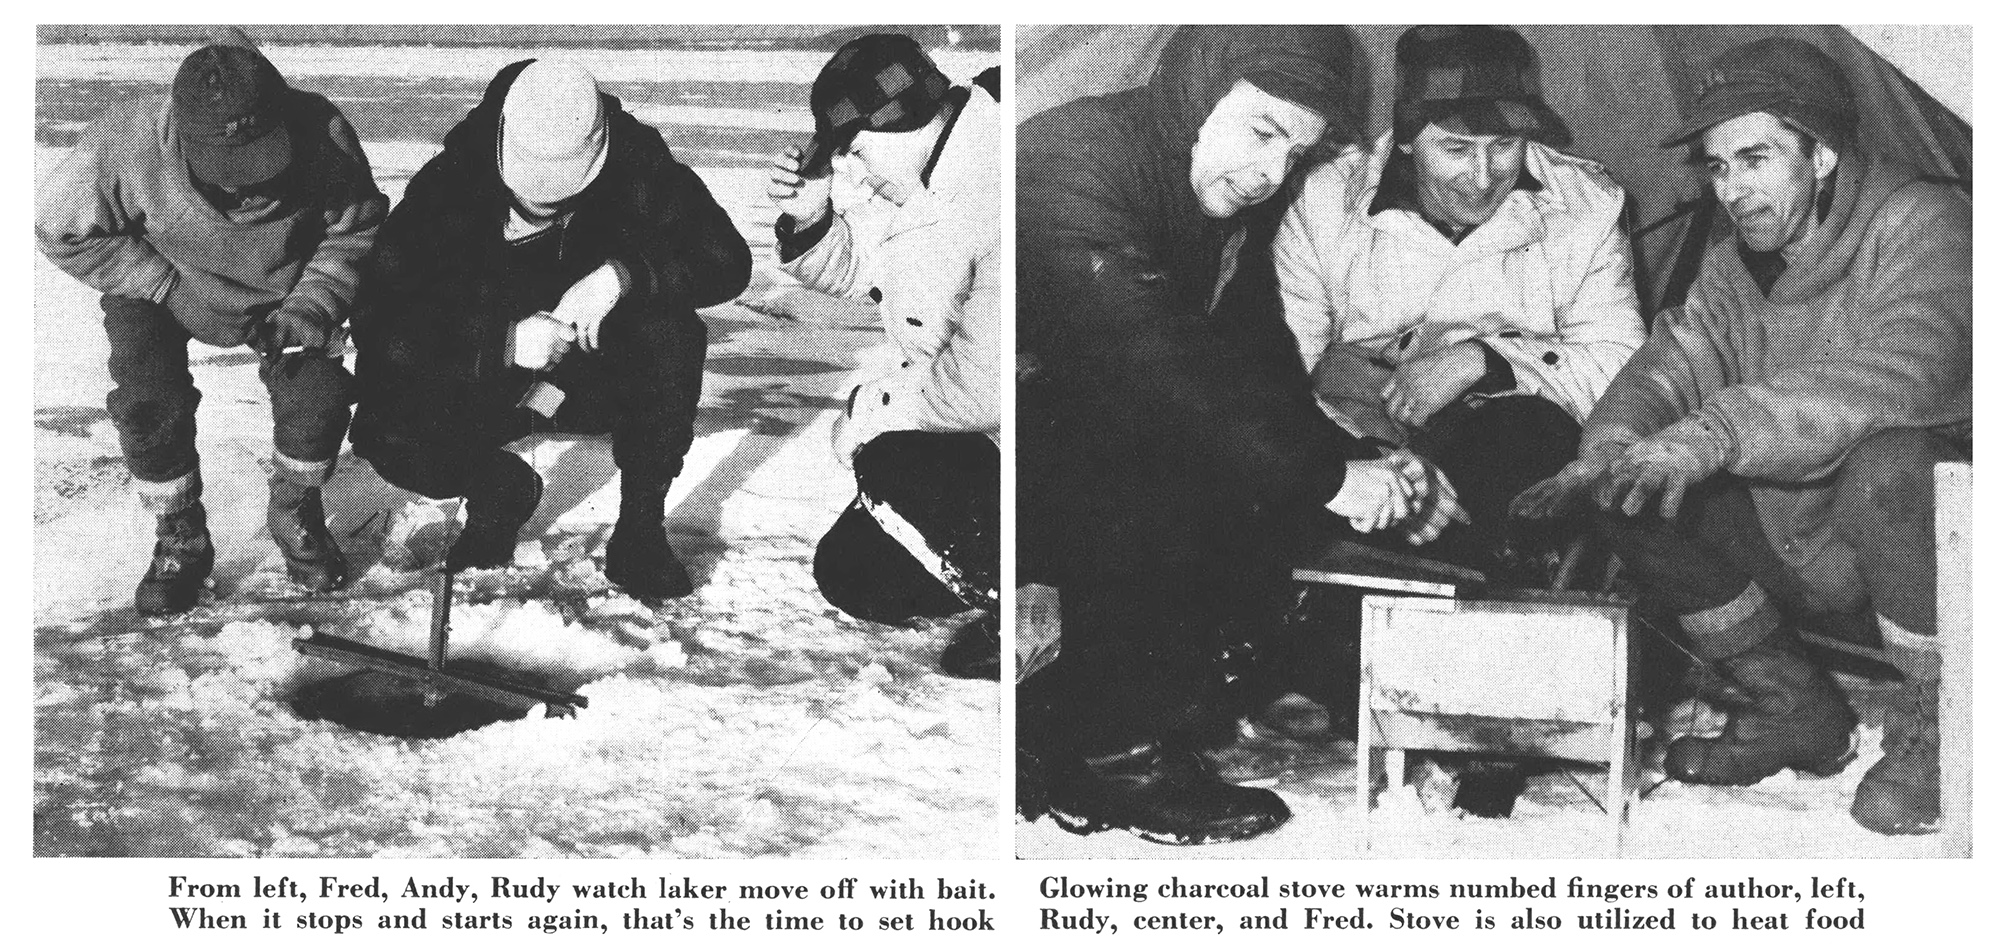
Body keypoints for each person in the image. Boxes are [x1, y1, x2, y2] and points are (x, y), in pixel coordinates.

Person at [1513, 37, 1970, 836]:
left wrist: (1710, 434)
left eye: (1754, 159)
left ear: (1822, 155)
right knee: (1628, 488)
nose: (1731, 189)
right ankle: (1794, 704)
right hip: (1803, 548)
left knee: (1893, 466)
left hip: (1919, 568)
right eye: (1718, 168)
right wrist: (1608, 450)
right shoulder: (1736, 263)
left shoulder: (1920, 219)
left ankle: (1945, 720)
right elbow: (1674, 361)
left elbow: (1903, 374)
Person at [1018, 25, 1442, 845]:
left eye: (1299, 152)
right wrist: (1322, 477)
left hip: (1087, 434)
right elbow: (1150, 361)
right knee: (1158, 455)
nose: (1270, 173)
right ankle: (1115, 759)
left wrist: (1350, 457)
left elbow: (1252, 351)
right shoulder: (1070, 160)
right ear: (1199, 93)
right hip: (1006, 459)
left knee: (1236, 471)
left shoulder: (1221, 183)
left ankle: (1066, 710)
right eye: (1262, 132)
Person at [350, 60, 750, 598]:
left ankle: (640, 530)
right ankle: (494, 488)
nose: (539, 207)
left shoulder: (634, 163)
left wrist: (623, 276)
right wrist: (504, 341)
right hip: (485, 381)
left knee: (672, 330)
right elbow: (379, 321)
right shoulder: (450, 184)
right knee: (391, 435)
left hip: (586, 374)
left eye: (559, 196)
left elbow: (726, 261)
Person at [35, 28, 387, 614]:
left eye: (260, 163)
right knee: (148, 401)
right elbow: (61, 231)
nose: (242, 183)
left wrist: (308, 306)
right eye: (224, 167)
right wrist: (164, 286)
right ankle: (181, 532)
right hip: (162, 278)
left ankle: (295, 504)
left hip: (284, 290)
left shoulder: (323, 133)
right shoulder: (127, 142)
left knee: (319, 399)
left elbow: (353, 231)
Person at [1274, 26, 1645, 576]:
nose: (1482, 177)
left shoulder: (1585, 206)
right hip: (1355, 438)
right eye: (1455, 149)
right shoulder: (1324, 201)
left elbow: (1626, 369)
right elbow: (1278, 371)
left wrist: (1485, 361)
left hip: (1501, 448)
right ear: (1404, 137)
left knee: (1532, 432)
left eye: (1504, 148)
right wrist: (1377, 466)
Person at [764, 35, 1002, 679]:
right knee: (855, 575)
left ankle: (1033, 609)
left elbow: (985, 386)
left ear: (904, 124)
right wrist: (811, 217)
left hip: (1033, 438)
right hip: (972, 433)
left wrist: (872, 409)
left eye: (858, 150)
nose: (856, 171)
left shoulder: (995, 192)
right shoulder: (922, 173)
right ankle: (1000, 566)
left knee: (892, 459)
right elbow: (867, 269)